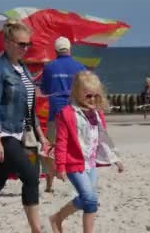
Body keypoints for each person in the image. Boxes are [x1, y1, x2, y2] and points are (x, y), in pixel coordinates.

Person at [0, 20, 50, 233]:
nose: (25, 49)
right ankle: (37, 230)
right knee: (31, 177)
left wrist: (40, 134)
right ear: (7, 42)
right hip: (4, 133)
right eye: (21, 44)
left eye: (28, 45)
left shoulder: (22, 68)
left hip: (21, 133)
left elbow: (28, 105)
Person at [49, 71, 124, 233]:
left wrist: (115, 158)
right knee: (91, 200)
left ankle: (56, 218)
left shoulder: (97, 114)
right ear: (77, 93)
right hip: (73, 164)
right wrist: (60, 165)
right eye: (88, 96)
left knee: (85, 199)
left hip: (90, 164)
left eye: (95, 96)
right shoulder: (67, 114)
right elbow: (61, 142)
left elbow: (103, 138)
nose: (92, 100)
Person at [39, 37, 86, 193]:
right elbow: (85, 91)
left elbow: (44, 90)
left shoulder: (49, 67)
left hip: (56, 113)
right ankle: (80, 183)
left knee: (50, 148)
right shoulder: (79, 67)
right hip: (75, 113)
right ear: (69, 49)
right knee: (76, 148)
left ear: (55, 50)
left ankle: (49, 185)